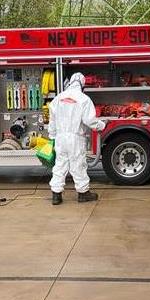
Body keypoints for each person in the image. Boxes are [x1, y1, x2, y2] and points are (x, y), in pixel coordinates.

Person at [49, 72, 106, 205]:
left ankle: (56, 195)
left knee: (60, 165)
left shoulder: (58, 98)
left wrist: (52, 137)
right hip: (75, 138)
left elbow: (52, 121)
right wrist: (102, 125)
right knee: (78, 165)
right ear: (82, 85)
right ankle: (83, 193)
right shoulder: (84, 99)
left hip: (60, 138)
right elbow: (90, 121)